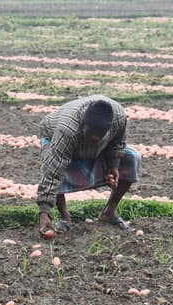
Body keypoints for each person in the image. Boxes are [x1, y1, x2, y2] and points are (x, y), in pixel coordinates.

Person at [36, 95, 141, 237]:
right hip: (55, 138)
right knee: (58, 168)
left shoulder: (119, 118)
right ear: (84, 124)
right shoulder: (68, 130)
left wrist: (114, 165)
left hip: (94, 148)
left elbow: (118, 142)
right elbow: (53, 170)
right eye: (92, 133)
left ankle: (109, 212)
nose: (96, 138)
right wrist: (44, 212)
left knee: (131, 157)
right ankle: (65, 217)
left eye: (101, 134)